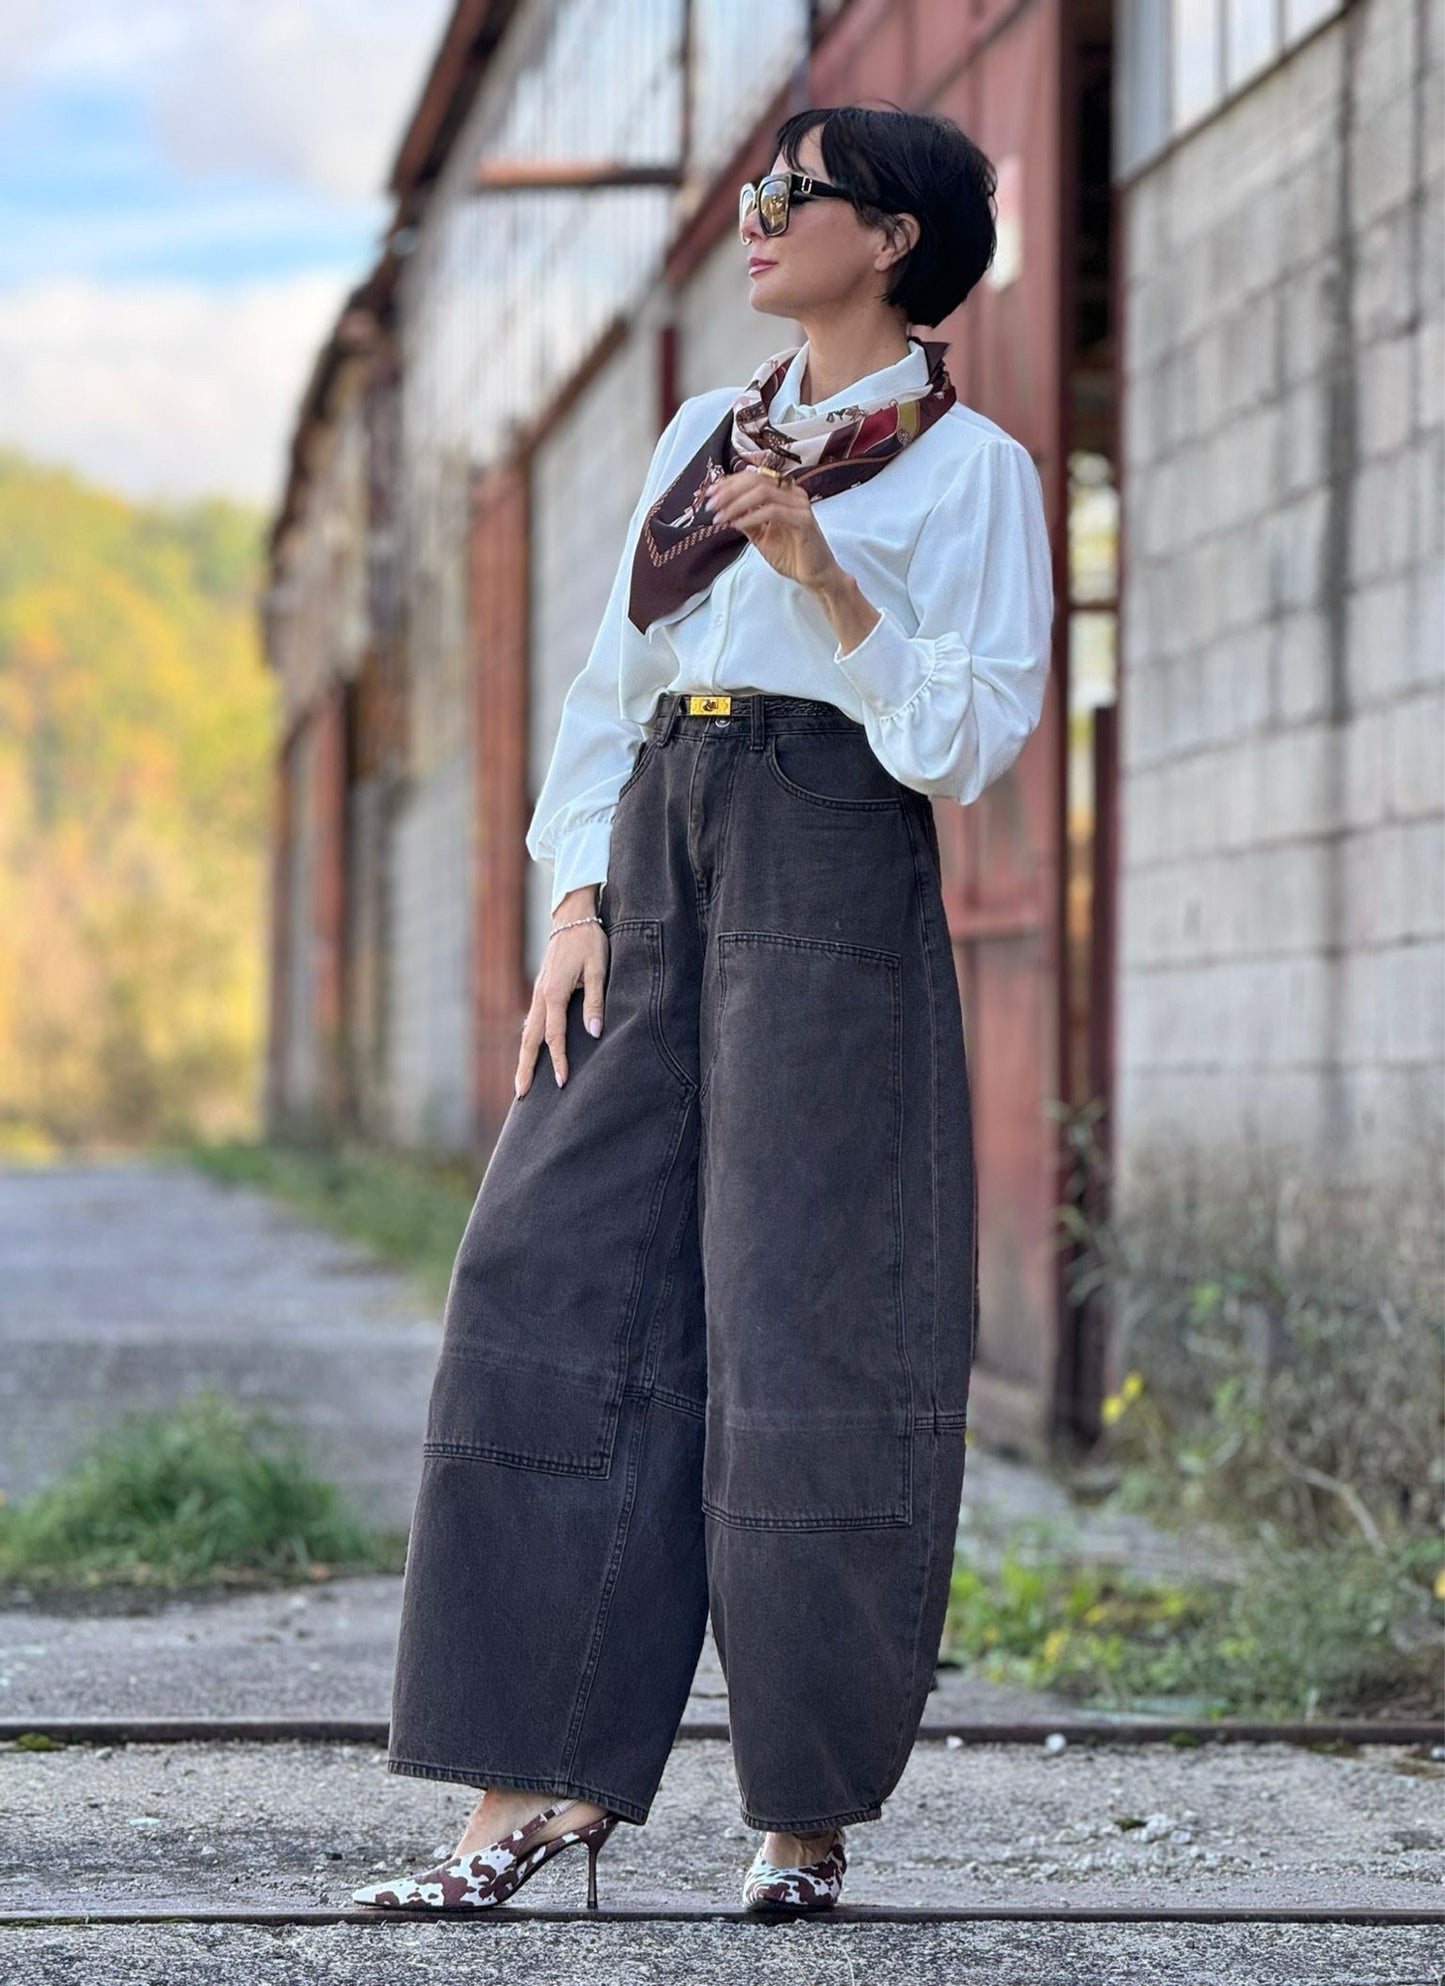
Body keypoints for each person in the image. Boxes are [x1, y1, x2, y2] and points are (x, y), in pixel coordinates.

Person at [353, 100, 1053, 1917]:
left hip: (832, 864)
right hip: (658, 849)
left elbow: (966, 739)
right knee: (546, 1278)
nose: (751, 218)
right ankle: (530, 1789)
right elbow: (610, 685)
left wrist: (820, 573)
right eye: (753, 193)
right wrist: (574, 892)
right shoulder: (702, 433)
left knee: (809, 1311)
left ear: (888, 236)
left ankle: (798, 1819)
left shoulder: (971, 472)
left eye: (789, 195)